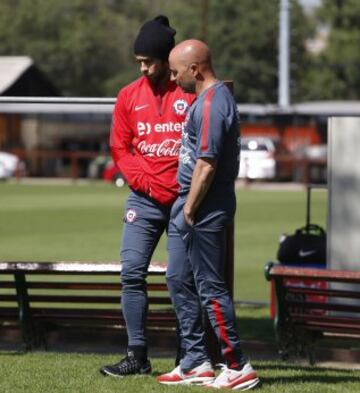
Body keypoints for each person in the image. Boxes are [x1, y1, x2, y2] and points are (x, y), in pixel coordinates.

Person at [157, 40, 260, 390]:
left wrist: (188, 209)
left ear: (195, 69)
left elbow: (207, 162)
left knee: (210, 287)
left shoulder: (215, 103)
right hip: (189, 204)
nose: (172, 79)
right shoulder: (202, 101)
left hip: (203, 208)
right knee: (178, 279)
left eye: (175, 72)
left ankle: (237, 365)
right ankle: (195, 361)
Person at [100, 16, 194, 377]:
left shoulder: (187, 92)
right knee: (132, 273)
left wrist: (181, 187)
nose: (142, 67)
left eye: (147, 61)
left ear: (165, 57)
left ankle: (188, 356)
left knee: (182, 279)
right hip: (143, 199)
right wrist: (142, 178)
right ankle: (136, 355)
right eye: (138, 61)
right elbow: (119, 147)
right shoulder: (128, 96)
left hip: (185, 201)